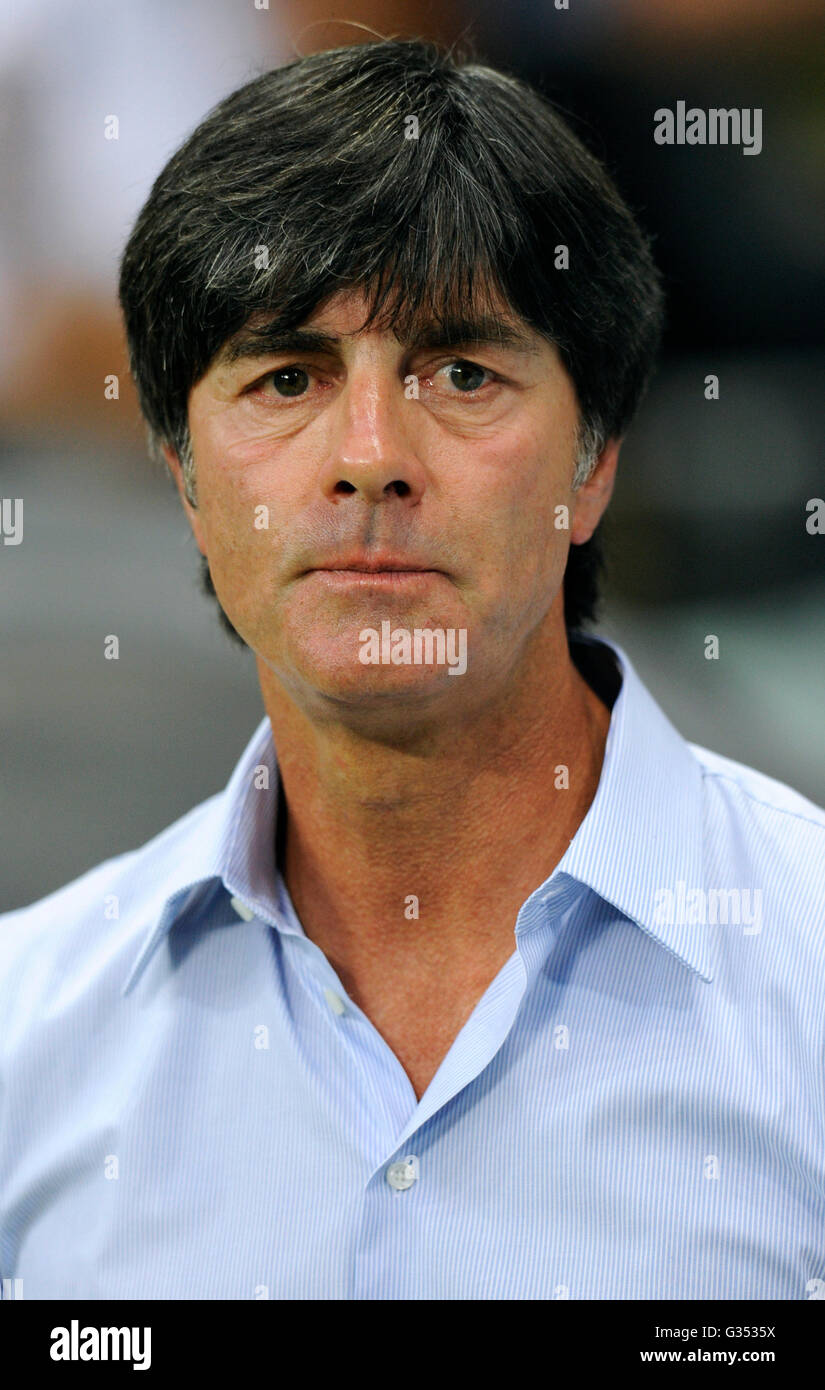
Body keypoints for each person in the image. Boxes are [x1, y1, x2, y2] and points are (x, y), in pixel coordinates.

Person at [1, 40, 822, 1302]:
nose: (371, 454)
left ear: (595, 463)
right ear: (183, 477)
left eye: (462, 374)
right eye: (288, 377)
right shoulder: (26, 1036)